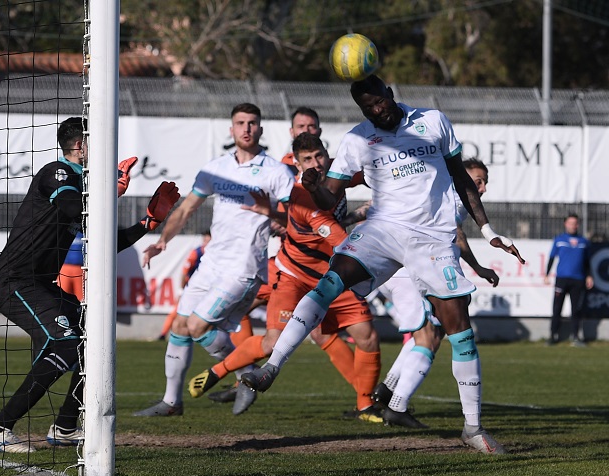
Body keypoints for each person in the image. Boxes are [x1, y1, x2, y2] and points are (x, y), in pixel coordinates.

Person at [241, 75, 524, 455]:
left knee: (459, 329)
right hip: (383, 231)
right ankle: (271, 368)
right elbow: (329, 197)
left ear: (390, 94)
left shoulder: (433, 122)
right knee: (328, 284)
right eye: (368, 108)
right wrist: (312, 184)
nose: (377, 111)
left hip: (432, 239)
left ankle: (473, 428)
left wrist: (487, 230)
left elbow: (461, 178)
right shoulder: (358, 139)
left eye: (380, 103)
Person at [0, 117, 180, 452]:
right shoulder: (57, 173)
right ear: (79, 145)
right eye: (94, 140)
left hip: (40, 284)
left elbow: (107, 241)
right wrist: (109, 191)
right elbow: (76, 207)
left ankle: (65, 427)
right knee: (68, 344)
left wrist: (149, 221)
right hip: (15, 283)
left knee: (91, 342)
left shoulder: (81, 183)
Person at [188, 133, 381, 420]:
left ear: (327, 156)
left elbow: (371, 176)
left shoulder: (338, 177)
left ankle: (366, 407)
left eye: (319, 156)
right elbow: (339, 240)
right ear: (297, 164)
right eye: (307, 160)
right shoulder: (303, 196)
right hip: (295, 276)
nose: (315, 164)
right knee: (273, 343)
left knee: (367, 337)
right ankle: (220, 371)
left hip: (330, 275)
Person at [133, 102, 295, 417]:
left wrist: (270, 212)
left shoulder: (277, 171)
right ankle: (171, 402)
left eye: (252, 123)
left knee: (197, 324)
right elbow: (186, 208)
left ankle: (239, 379)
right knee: (180, 325)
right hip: (212, 265)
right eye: (240, 123)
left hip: (244, 267)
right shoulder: (215, 168)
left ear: (260, 129)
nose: (246, 128)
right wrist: (163, 241)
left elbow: (295, 217)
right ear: (231, 129)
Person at [371, 158, 500, 429]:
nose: (483, 188)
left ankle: (388, 390)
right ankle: (397, 406)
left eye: (485, 182)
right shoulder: (448, 195)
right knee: (429, 336)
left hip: (408, 268)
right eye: (478, 181)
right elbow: (456, 234)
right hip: (407, 269)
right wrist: (476, 266)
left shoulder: (441, 192)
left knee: (433, 331)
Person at [544, 213, 593, 346]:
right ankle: (553, 335)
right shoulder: (559, 240)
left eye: (575, 223)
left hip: (578, 280)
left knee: (576, 309)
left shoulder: (584, 242)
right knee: (557, 308)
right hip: (562, 279)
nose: (573, 226)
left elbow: (587, 261)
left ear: (578, 225)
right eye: (570, 223)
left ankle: (576, 337)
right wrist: (546, 274)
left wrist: (589, 275)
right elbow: (552, 258)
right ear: (566, 224)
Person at [158, 230, 211, 340]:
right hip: (193, 289)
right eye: (205, 240)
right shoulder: (196, 253)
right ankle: (163, 334)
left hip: (209, 289)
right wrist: (181, 290)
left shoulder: (217, 254)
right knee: (177, 311)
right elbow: (185, 272)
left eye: (209, 240)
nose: (207, 242)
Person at [280, 107, 323, 175]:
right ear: (292, 131)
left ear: (320, 131)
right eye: (301, 126)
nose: (306, 130)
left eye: (311, 126)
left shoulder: (333, 167)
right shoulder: (282, 167)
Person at [57, 232, 84, 301]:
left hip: (81, 270)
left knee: (82, 301)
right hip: (64, 269)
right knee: (61, 298)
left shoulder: (90, 227)